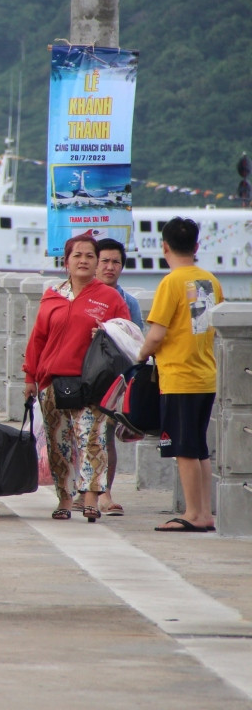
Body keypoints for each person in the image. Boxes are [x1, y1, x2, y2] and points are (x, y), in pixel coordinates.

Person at [23, 235, 130, 522]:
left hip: (92, 383)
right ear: (66, 261)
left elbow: (127, 338)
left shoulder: (110, 298)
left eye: (89, 256)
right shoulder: (52, 295)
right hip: (52, 382)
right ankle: (64, 499)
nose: (83, 260)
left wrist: (107, 334)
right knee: (59, 444)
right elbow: (37, 339)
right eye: (77, 255)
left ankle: (92, 499)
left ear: (96, 263)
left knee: (91, 440)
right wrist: (29, 378)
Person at [137, 218, 223, 533]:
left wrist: (140, 353)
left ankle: (194, 513)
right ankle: (203, 511)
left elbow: (157, 333)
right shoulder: (211, 281)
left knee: (184, 448)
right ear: (197, 247)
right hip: (206, 375)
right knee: (198, 446)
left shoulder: (171, 282)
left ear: (164, 246)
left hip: (178, 376)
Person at [94, 237, 144, 516]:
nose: (110, 267)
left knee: (105, 436)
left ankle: (105, 492)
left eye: (116, 262)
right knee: (82, 436)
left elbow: (136, 341)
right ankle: (83, 489)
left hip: (114, 378)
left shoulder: (129, 302)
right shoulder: (79, 294)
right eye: (105, 261)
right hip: (81, 377)